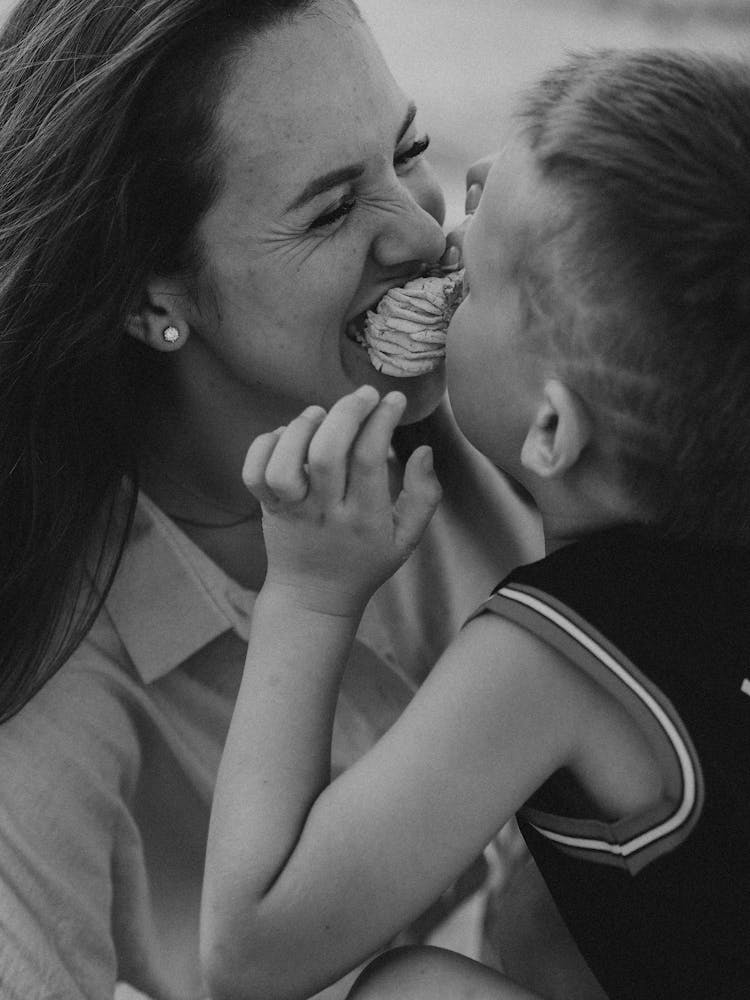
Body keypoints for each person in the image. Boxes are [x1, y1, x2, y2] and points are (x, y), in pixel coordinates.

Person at [0, 0, 543, 997]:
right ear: (150, 298)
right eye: (333, 209)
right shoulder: (48, 698)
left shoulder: (508, 405)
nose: (423, 229)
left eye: (408, 147)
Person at [201, 48, 750, 1000]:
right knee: (537, 918)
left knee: (410, 989)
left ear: (551, 427)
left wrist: (311, 593)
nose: (446, 217)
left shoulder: (546, 661)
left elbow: (251, 954)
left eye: (482, 279)